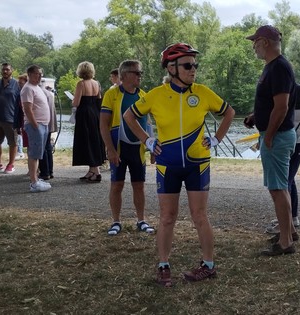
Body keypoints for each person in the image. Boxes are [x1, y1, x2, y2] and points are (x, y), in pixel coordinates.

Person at [123, 43, 235, 287]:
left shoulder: (203, 92)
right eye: (187, 65)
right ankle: (163, 265)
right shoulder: (155, 95)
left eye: (195, 64)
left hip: (198, 165)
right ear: (171, 68)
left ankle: (209, 265)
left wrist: (216, 139)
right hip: (167, 165)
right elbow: (128, 116)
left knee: (200, 216)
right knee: (166, 218)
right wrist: (148, 141)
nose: (193, 69)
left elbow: (229, 113)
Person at [245, 25, 297, 256]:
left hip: (277, 136)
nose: (253, 46)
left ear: (265, 42)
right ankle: (290, 231)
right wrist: (256, 117)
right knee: (279, 187)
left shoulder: (279, 68)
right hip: (273, 133)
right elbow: (272, 103)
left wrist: (270, 135)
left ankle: (285, 243)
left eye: (255, 42)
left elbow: (282, 106)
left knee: (278, 189)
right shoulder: (272, 68)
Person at [100, 60, 154, 236]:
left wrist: (152, 146)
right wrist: (110, 149)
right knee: (117, 184)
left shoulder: (144, 95)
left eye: (141, 73)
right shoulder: (112, 94)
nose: (140, 76)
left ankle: (141, 220)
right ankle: (116, 221)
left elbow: (148, 124)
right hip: (118, 147)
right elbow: (103, 124)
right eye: (136, 73)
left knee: (139, 185)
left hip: (137, 149)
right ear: (123, 76)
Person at [265, 83, 300, 237]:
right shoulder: (281, 91)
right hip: (289, 141)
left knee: (285, 182)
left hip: (299, 143)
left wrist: (280, 112)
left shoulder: (299, 92)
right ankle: (292, 218)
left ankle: (287, 222)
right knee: (289, 181)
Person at [72, 61, 105, 182]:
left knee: (87, 141)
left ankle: (95, 171)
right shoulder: (96, 83)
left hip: (84, 114)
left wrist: (73, 102)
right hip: (95, 113)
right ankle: (92, 170)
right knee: (94, 139)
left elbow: (76, 102)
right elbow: (99, 99)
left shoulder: (81, 84)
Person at [21, 65, 52, 193]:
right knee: (34, 154)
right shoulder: (27, 88)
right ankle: (33, 182)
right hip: (36, 125)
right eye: (36, 74)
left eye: (40, 74)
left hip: (43, 125)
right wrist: (35, 124)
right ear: (29, 75)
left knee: (38, 153)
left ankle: (36, 178)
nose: (39, 76)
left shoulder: (37, 87)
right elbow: (28, 109)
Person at [0, 62, 20, 174]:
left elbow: (21, 102)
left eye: (7, 69)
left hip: (11, 119)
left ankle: (11, 164)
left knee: (13, 143)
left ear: (11, 70)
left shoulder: (16, 84)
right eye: (3, 70)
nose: (5, 71)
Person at [38, 85, 57, 180]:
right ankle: (50, 171)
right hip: (49, 123)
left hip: (43, 123)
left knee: (43, 148)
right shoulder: (48, 93)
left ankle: (44, 172)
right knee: (48, 147)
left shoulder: (38, 92)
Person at [14, 74, 28, 160]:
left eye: (21, 83)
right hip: (23, 123)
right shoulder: (19, 94)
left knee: (32, 145)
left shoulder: (28, 93)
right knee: (27, 145)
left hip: (30, 122)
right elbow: (18, 111)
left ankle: (36, 168)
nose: (19, 85)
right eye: (18, 83)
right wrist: (18, 125)